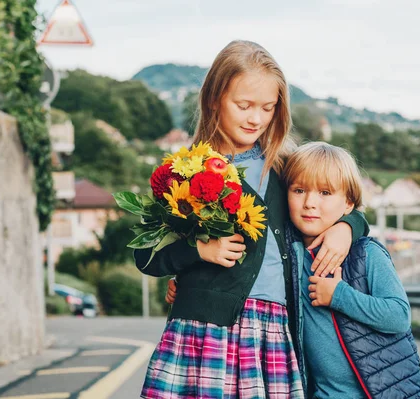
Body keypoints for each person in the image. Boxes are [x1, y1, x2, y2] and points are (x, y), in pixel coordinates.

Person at [135, 41, 369, 399]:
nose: (255, 119)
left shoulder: (285, 165)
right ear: (214, 98)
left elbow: (339, 203)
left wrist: (345, 229)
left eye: (267, 108)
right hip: (204, 331)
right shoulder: (183, 171)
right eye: (243, 106)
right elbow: (146, 254)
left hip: (272, 331)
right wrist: (198, 250)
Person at [167, 142, 420, 398]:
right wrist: (193, 285)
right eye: (299, 190)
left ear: (348, 203)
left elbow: (398, 316)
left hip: (377, 391)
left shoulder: (366, 254)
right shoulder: (287, 256)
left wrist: (340, 295)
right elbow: (248, 278)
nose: (310, 203)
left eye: (325, 193)